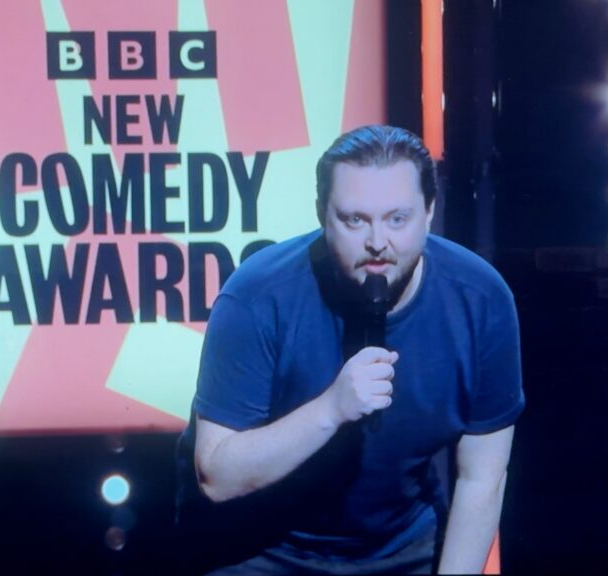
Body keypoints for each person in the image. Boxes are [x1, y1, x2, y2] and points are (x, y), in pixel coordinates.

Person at [176, 125, 524, 575]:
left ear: (429, 211)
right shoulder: (257, 295)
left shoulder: (481, 300)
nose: (377, 242)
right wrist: (332, 409)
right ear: (322, 214)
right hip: (258, 546)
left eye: (397, 219)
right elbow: (217, 476)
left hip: (401, 544)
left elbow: (482, 477)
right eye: (355, 220)